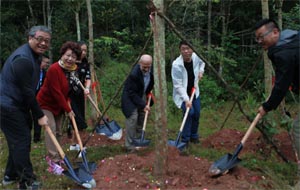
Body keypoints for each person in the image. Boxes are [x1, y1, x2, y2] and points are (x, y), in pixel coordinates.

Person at [0, 25, 50, 189]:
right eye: (39, 39)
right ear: (30, 38)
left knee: (20, 139)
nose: (43, 43)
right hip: (7, 105)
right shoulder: (23, 59)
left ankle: (10, 174)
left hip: (17, 104)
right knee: (21, 140)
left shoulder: (35, 56)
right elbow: (27, 92)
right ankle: (27, 182)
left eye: (47, 41)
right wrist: (40, 115)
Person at [254, 19, 299, 186]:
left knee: (298, 129)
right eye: (257, 39)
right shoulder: (293, 39)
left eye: (261, 37)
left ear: (275, 33)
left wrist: (267, 106)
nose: (259, 42)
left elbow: (281, 86)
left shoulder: (283, 52)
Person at [37, 41, 81, 163]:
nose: (70, 59)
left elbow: (68, 91)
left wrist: (67, 105)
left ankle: (58, 153)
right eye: (67, 55)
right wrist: (68, 110)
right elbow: (56, 92)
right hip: (45, 104)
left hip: (59, 105)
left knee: (58, 131)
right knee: (50, 127)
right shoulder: (54, 69)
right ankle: (53, 158)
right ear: (62, 54)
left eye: (73, 57)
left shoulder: (72, 71)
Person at [171, 41, 205, 147]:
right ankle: (185, 140)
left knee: (197, 113)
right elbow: (178, 85)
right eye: (183, 49)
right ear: (180, 51)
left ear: (192, 49)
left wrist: (201, 71)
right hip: (182, 95)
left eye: (188, 48)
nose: (186, 51)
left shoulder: (196, 57)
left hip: (194, 91)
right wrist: (186, 99)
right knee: (189, 113)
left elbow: (202, 62)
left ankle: (194, 136)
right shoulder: (176, 65)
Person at [121, 54, 154, 153]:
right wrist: (143, 105)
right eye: (144, 67)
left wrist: (147, 99)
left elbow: (150, 84)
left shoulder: (151, 71)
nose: (147, 69)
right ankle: (129, 145)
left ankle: (139, 140)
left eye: (149, 66)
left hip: (142, 93)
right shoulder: (134, 74)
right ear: (140, 63)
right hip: (130, 97)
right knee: (133, 117)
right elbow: (132, 93)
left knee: (143, 115)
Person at [68, 41, 91, 151]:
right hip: (69, 96)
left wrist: (87, 88)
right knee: (77, 120)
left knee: (79, 117)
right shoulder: (70, 63)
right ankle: (82, 146)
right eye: (82, 50)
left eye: (86, 50)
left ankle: (73, 144)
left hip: (80, 95)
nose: (84, 52)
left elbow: (88, 78)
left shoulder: (85, 64)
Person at [32, 54, 50, 143]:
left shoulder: (45, 73)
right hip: (29, 94)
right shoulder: (33, 70)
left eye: (48, 63)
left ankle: (37, 136)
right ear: (40, 61)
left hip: (38, 96)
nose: (46, 64)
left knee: (37, 114)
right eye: (45, 62)